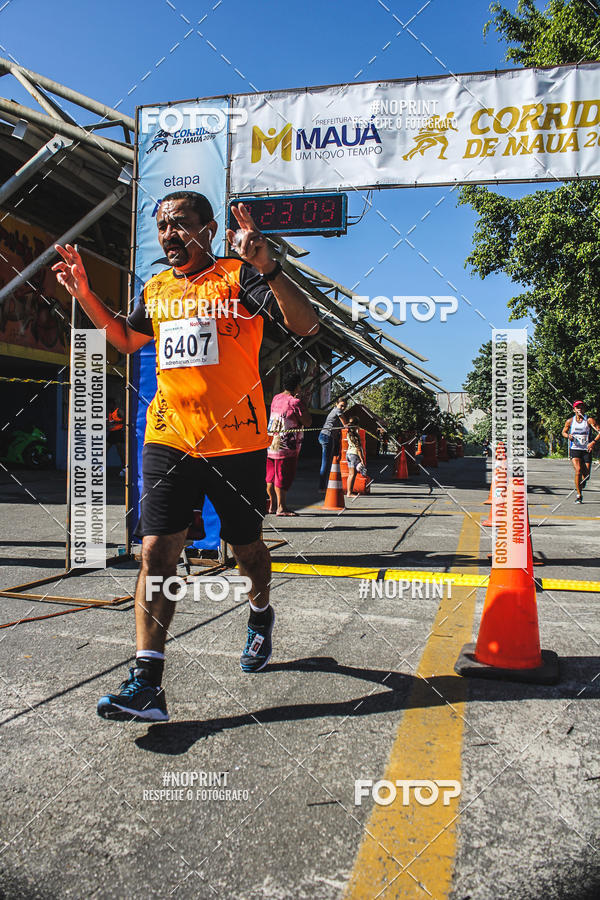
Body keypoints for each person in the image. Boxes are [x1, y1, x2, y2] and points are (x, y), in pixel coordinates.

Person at [52, 192, 318, 721]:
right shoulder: (156, 287)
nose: (169, 233)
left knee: (246, 550)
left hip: (237, 443)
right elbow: (127, 340)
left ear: (210, 228)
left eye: (181, 224)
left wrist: (269, 264)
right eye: (162, 225)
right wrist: (85, 294)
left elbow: (306, 325)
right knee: (157, 552)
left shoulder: (239, 278)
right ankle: (147, 680)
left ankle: (260, 611)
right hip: (169, 436)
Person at [266, 372, 311, 516]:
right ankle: (281, 507)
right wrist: (302, 403)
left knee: (271, 476)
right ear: (297, 386)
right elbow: (308, 422)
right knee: (283, 476)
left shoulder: (276, 398)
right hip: (287, 446)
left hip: (271, 443)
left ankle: (272, 505)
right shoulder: (295, 402)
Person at [561, 400, 600, 503]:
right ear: (574, 409)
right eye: (578, 407)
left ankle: (581, 483)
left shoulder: (589, 420)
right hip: (575, 449)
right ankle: (579, 495)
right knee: (578, 470)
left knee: (586, 476)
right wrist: (568, 436)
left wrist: (593, 442)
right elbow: (563, 432)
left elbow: (599, 432)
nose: (580, 409)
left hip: (586, 449)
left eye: (582, 407)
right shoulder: (570, 421)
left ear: (584, 409)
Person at [318, 397, 348, 491]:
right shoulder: (337, 411)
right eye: (341, 405)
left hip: (326, 436)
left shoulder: (335, 411)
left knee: (329, 461)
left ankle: (327, 484)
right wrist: (347, 425)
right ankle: (322, 487)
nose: (342, 408)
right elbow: (343, 420)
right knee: (326, 463)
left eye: (344, 407)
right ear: (336, 404)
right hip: (327, 436)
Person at [345, 416, 367, 497]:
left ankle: (349, 492)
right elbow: (358, 449)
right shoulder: (356, 435)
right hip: (354, 455)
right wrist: (362, 459)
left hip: (348, 454)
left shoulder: (349, 433)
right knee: (353, 474)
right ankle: (349, 492)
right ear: (356, 425)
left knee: (350, 474)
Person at [107, 396, 126, 476]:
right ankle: (101, 468)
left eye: (109, 404)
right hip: (112, 433)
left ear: (112, 404)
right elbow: (109, 422)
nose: (108, 406)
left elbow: (125, 420)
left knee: (121, 452)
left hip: (118, 433)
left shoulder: (119, 411)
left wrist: (115, 424)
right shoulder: (110, 412)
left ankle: (125, 469)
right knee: (104, 450)